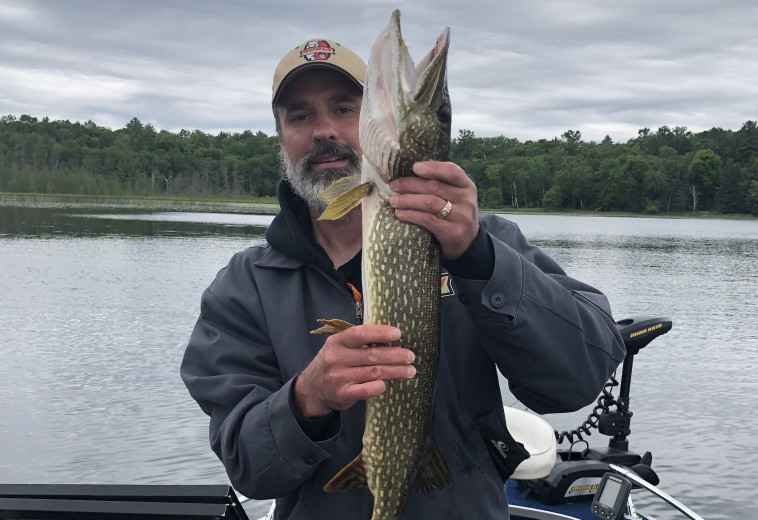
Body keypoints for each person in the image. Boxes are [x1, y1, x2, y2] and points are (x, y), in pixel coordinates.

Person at [180, 37, 626, 520]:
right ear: (281, 136)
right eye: (300, 115)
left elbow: (579, 379)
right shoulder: (245, 287)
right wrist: (306, 398)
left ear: (372, 121)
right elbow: (249, 469)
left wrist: (480, 259)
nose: (324, 130)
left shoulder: (485, 243)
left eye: (345, 108)